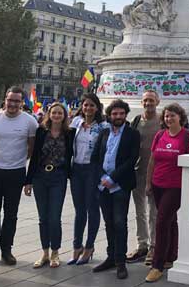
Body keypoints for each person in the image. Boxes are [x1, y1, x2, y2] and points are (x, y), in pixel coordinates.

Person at [0, 86, 39, 268]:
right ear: (5, 100)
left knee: (11, 215)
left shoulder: (30, 122)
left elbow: (32, 149)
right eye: (10, 100)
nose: (13, 104)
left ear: (22, 103)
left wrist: (17, 161)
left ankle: (6, 250)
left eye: (17, 101)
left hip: (16, 173)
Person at [144, 103, 189, 282]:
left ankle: (157, 265)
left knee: (161, 222)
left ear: (180, 117)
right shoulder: (160, 135)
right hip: (158, 183)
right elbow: (152, 160)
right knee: (170, 220)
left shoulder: (188, 137)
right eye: (166, 116)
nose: (169, 119)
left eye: (172, 116)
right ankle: (171, 255)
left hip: (176, 186)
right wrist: (148, 183)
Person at [91, 99, 140, 279]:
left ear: (125, 114)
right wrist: (103, 177)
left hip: (120, 185)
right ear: (109, 115)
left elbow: (132, 159)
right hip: (103, 186)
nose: (117, 117)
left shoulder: (132, 134)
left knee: (120, 223)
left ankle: (121, 261)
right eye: (114, 114)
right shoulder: (103, 133)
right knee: (109, 223)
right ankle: (110, 257)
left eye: (121, 114)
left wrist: (113, 178)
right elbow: (95, 158)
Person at [24, 103, 74, 268]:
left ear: (64, 116)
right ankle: (45, 252)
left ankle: (55, 252)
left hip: (58, 176)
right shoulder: (41, 132)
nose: (57, 115)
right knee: (42, 217)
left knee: (54, 217)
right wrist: (28, 180)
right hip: (40, 176)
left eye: (60, 113)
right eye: (54, 113)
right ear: (49, 114)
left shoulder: (69, 133)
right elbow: (34, 156)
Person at [68, 93, 109, 265]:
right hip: (76, 169)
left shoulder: (103, 126)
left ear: (97, 108)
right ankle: (77, 246)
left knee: (92, 208)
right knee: (79, 210)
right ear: (82, 106)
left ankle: (89, 246)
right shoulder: (76, 123)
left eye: (92, 105)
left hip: (93, 170)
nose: (88, 108)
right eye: (85, 105)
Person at [126, 90, 160, 266]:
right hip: (138, 171)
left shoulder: (163, 121)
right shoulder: (136, 121)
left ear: (158, 101)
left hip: (156, 173)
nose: (148, 103)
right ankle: (142, 244)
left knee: (154, 212)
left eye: (151, 100)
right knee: (140, 211)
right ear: (142, 103)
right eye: (146, 100)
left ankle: (154, 246)